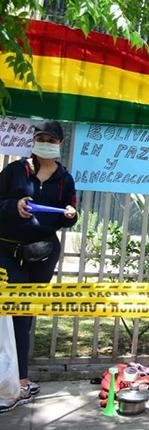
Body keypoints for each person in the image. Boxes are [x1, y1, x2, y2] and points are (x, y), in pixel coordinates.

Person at [0, 121, 77, 414]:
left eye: (50, 139)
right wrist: (13, 205)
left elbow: (67, 216)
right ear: (33, 141)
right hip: (7, 252)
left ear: (59, 144)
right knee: (12, 313)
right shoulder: (15, 171)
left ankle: (20, 379)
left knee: (26, 315)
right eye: (40, 138)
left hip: (43, 254)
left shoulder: (64, 179)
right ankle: (16, 381)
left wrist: (70, 215)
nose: (45, 142)